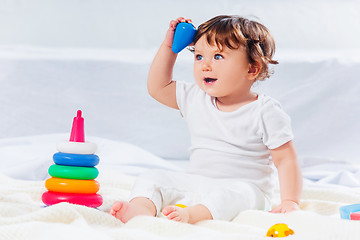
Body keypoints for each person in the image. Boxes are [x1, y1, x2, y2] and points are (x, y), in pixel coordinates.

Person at [110, 15, 302, 224]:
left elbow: (285, 160)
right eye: (199, 56)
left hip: (247, 191)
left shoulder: (265, 111)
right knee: (151, 178)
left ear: (251, 68)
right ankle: (141, 210)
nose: (205, 65)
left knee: (234, 194)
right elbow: (157, 87)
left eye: (218, 57)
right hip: (198, 184)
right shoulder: (196, 97)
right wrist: (169, 47)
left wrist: (290, 200)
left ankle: (192, 216)